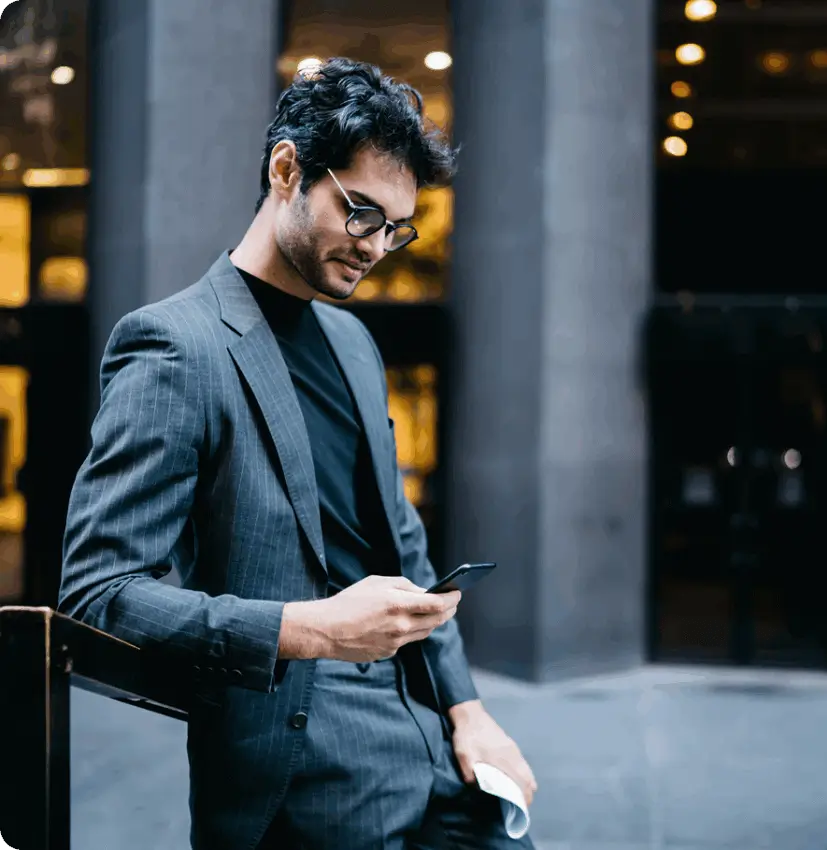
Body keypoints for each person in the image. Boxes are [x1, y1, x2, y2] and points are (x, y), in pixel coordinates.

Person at [58, 57, 537, 849]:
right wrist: (310, 629)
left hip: (436, 752)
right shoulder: (174, 345)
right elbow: (98, 593)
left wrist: (470, 712)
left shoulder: (352, 341)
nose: (379, 246)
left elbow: (401, 539)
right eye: (361, 214)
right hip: (299, 778)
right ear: (287, 168)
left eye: (396, 226)